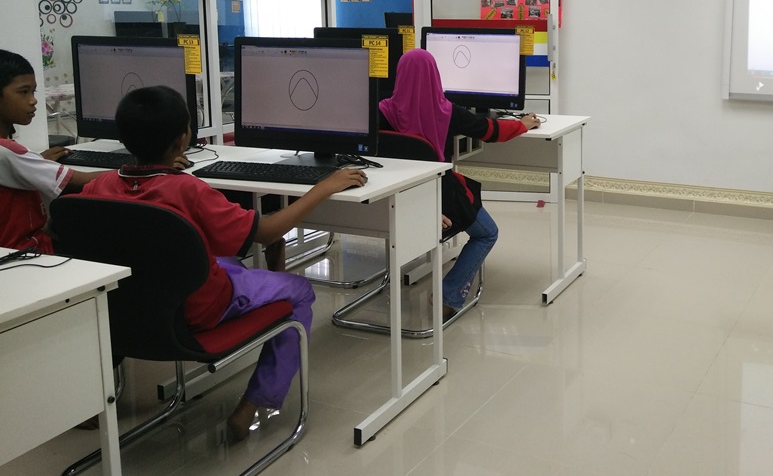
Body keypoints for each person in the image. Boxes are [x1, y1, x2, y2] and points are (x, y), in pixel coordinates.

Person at [78, 85, 367, 440]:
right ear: (183, 139)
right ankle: (252, 405)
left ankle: (269, 278)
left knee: (226, 258)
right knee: (300, 291)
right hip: (198, 311)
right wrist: (324, 187)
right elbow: (266, 232)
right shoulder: (188, 190)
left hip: (127, 312)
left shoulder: (97, 187)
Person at [378, 49, 540, 320]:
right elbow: (492, 131)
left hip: (391, 197)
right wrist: (523, 124)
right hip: (438, 197)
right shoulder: (449, 111)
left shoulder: (381, 111)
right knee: (487, 233)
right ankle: (447, 296)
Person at [0, 48, 103, 252]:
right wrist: (136, 171)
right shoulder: (10, 154)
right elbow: (81, 180)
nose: (33, 100)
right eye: (23, 92)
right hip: (27, 253)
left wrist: (36, 161)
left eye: (33, 91)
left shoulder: (12, 156)